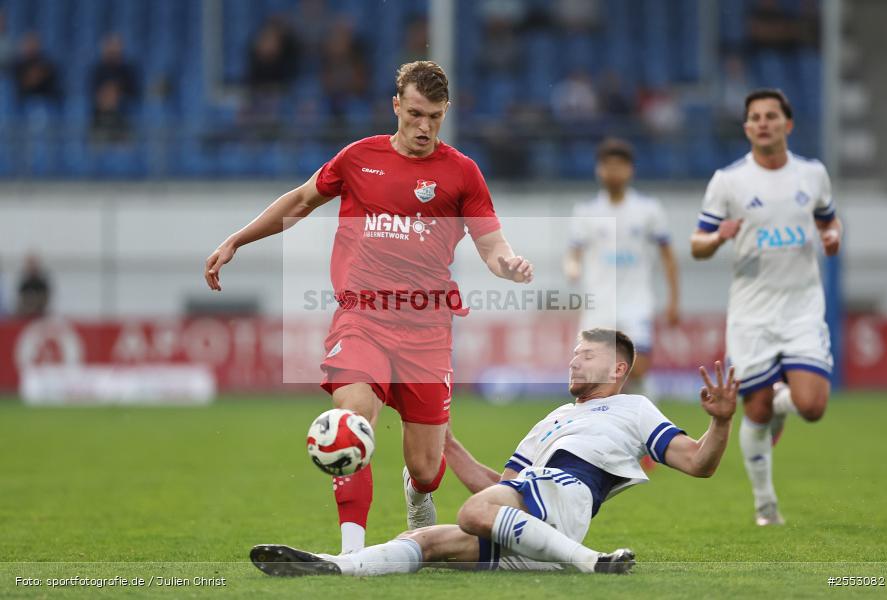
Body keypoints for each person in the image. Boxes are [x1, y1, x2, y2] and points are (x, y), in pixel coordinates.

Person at [205, 61, 534, 554]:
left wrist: (507, 264)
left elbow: (491, 243)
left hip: (427, 330)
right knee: (350, 422)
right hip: (362, 319)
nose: (424, 127)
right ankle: (352, 552)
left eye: (435, 118)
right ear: (396, 105)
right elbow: (299, 201)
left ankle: (416, 490)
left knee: (426, 468)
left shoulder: (461, 172)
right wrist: (237, 239)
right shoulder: (360, 158)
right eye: (416, 114)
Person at [247, 329, 738, 576]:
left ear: (619, 369)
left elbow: (698, 463)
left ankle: (592, 562)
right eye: (573, 352)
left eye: (586, 355)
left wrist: (720, 421)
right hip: (533, 518)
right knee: (429, 541)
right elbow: (498, 488)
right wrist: (448, 441)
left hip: (567, 498)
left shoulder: (634, 408)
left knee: (472, 512)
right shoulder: (552, 419)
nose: (573, 359)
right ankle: (333, 565)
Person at [690, 89, 842, 526]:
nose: (762, 123)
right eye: (754, 117)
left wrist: (833, 236)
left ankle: (779, 399)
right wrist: (719, 237)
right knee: (754, 411)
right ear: (746, 127)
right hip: (751, 314)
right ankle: (765, 506)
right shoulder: (729, 181)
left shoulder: (813, 175)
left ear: (787, 124)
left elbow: (829, 220)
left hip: (802, 309)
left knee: (812, 407)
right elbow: (697, 244)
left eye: (771, 116)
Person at [565, 138, 680, 395]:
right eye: (608, 166)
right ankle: (616, 425)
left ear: (630, 169)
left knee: (636, 368)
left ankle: (643, 418)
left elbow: (668, 256)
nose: (613, 172)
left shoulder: (648, 210)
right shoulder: (586, 212)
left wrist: (673, 300)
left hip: (635, 302)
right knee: (591, 376)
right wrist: (572, 267)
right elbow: (573, 253)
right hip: (599, 305)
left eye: (619, 166)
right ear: (599, 170)